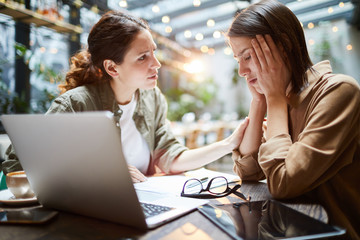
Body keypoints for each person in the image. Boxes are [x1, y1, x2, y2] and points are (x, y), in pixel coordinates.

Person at [2, 11, 249, 184]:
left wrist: (227, 144)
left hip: (142, 207)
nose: (157, 64)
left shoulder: (152, 99)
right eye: (143, 57)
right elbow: (16, 166)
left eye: (154, 52)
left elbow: (171, 157)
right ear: (112, 68)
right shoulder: (76, 104)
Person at [227, 0, 360, 239]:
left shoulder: (339, 91)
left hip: (331, 233)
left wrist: (275, 98)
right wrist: (259, 103)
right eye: (238, 60)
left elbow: (283, 184)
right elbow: (247, 171)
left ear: (284, 45)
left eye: (247, 56)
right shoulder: (285, 98)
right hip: (286, 229)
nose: (241, 71)